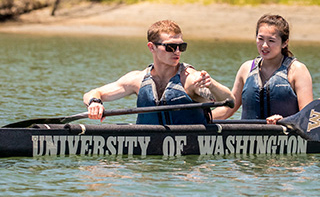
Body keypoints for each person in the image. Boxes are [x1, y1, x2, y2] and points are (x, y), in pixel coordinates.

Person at [83, 19, 233, 125]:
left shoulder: (191, 79)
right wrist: (94, 102)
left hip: (186, 163)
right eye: (170, 47)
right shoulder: (137, 80)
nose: (177, 52)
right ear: (151, 47)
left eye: (181, 46)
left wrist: (211, 85)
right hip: (150, 162)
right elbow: (93, 93)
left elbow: (229, 101)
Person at [211, 14, 313, 124]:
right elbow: (228, 109)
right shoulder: (246, 68)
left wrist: (284, 121)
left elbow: (307, 116)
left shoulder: (297, 70)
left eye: (271, 40)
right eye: (260, 39)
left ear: (284, 43)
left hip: (285, 139)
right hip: (248, 139)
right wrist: (199, 118)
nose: (264, 45)